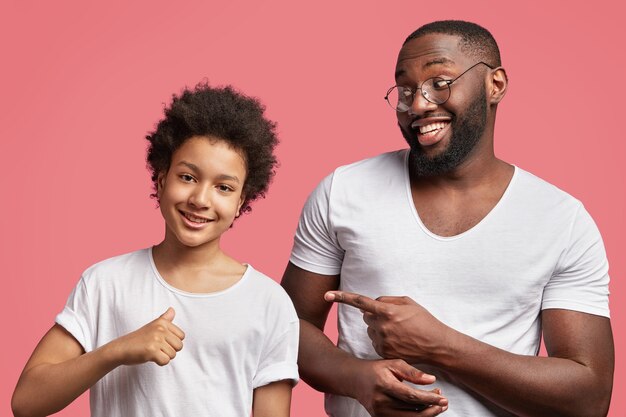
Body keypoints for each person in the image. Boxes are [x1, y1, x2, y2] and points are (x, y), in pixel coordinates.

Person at [281, 20, 614, 417]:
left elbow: (589, 398)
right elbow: (287, 325)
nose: (418, 105)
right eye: (405, 90)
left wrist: (440, 345)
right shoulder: (344, 191)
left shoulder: (562, 221)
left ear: (496, 85)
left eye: (439, 82)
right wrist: (358, 378)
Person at [12, 83, 299, 417]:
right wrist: (115, 351)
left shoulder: (269, 303)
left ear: (240, 203)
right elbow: (26, 401)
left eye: (223, 187)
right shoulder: (106, 283)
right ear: (161, 180)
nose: (200, 200)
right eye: (188, 177)